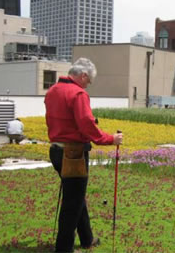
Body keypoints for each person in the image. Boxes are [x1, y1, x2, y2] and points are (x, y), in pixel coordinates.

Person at [45, 57, 123, 252]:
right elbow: (87, 126)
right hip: (74, 154)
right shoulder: (78, 94)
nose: (88, 86)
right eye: (89, 82)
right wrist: (111, 139)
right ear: (83, 75)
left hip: (55, 151)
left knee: (76, 196)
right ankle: (63, 248)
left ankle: (86, 238)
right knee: (72, 202)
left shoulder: (52, 91)